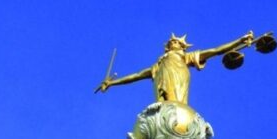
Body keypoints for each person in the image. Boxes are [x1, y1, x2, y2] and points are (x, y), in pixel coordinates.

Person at [96, 31, 255, 105]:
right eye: (171, 42)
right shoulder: (159, 64)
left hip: (178, 77)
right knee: (163, 107)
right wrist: (112, 83)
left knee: (175, 106)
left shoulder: (186, 57)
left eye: (177, 42)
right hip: (162, 79)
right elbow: (137, 75)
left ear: (182, 46)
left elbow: (215, 51)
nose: (173, 42)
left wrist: (240, 41)